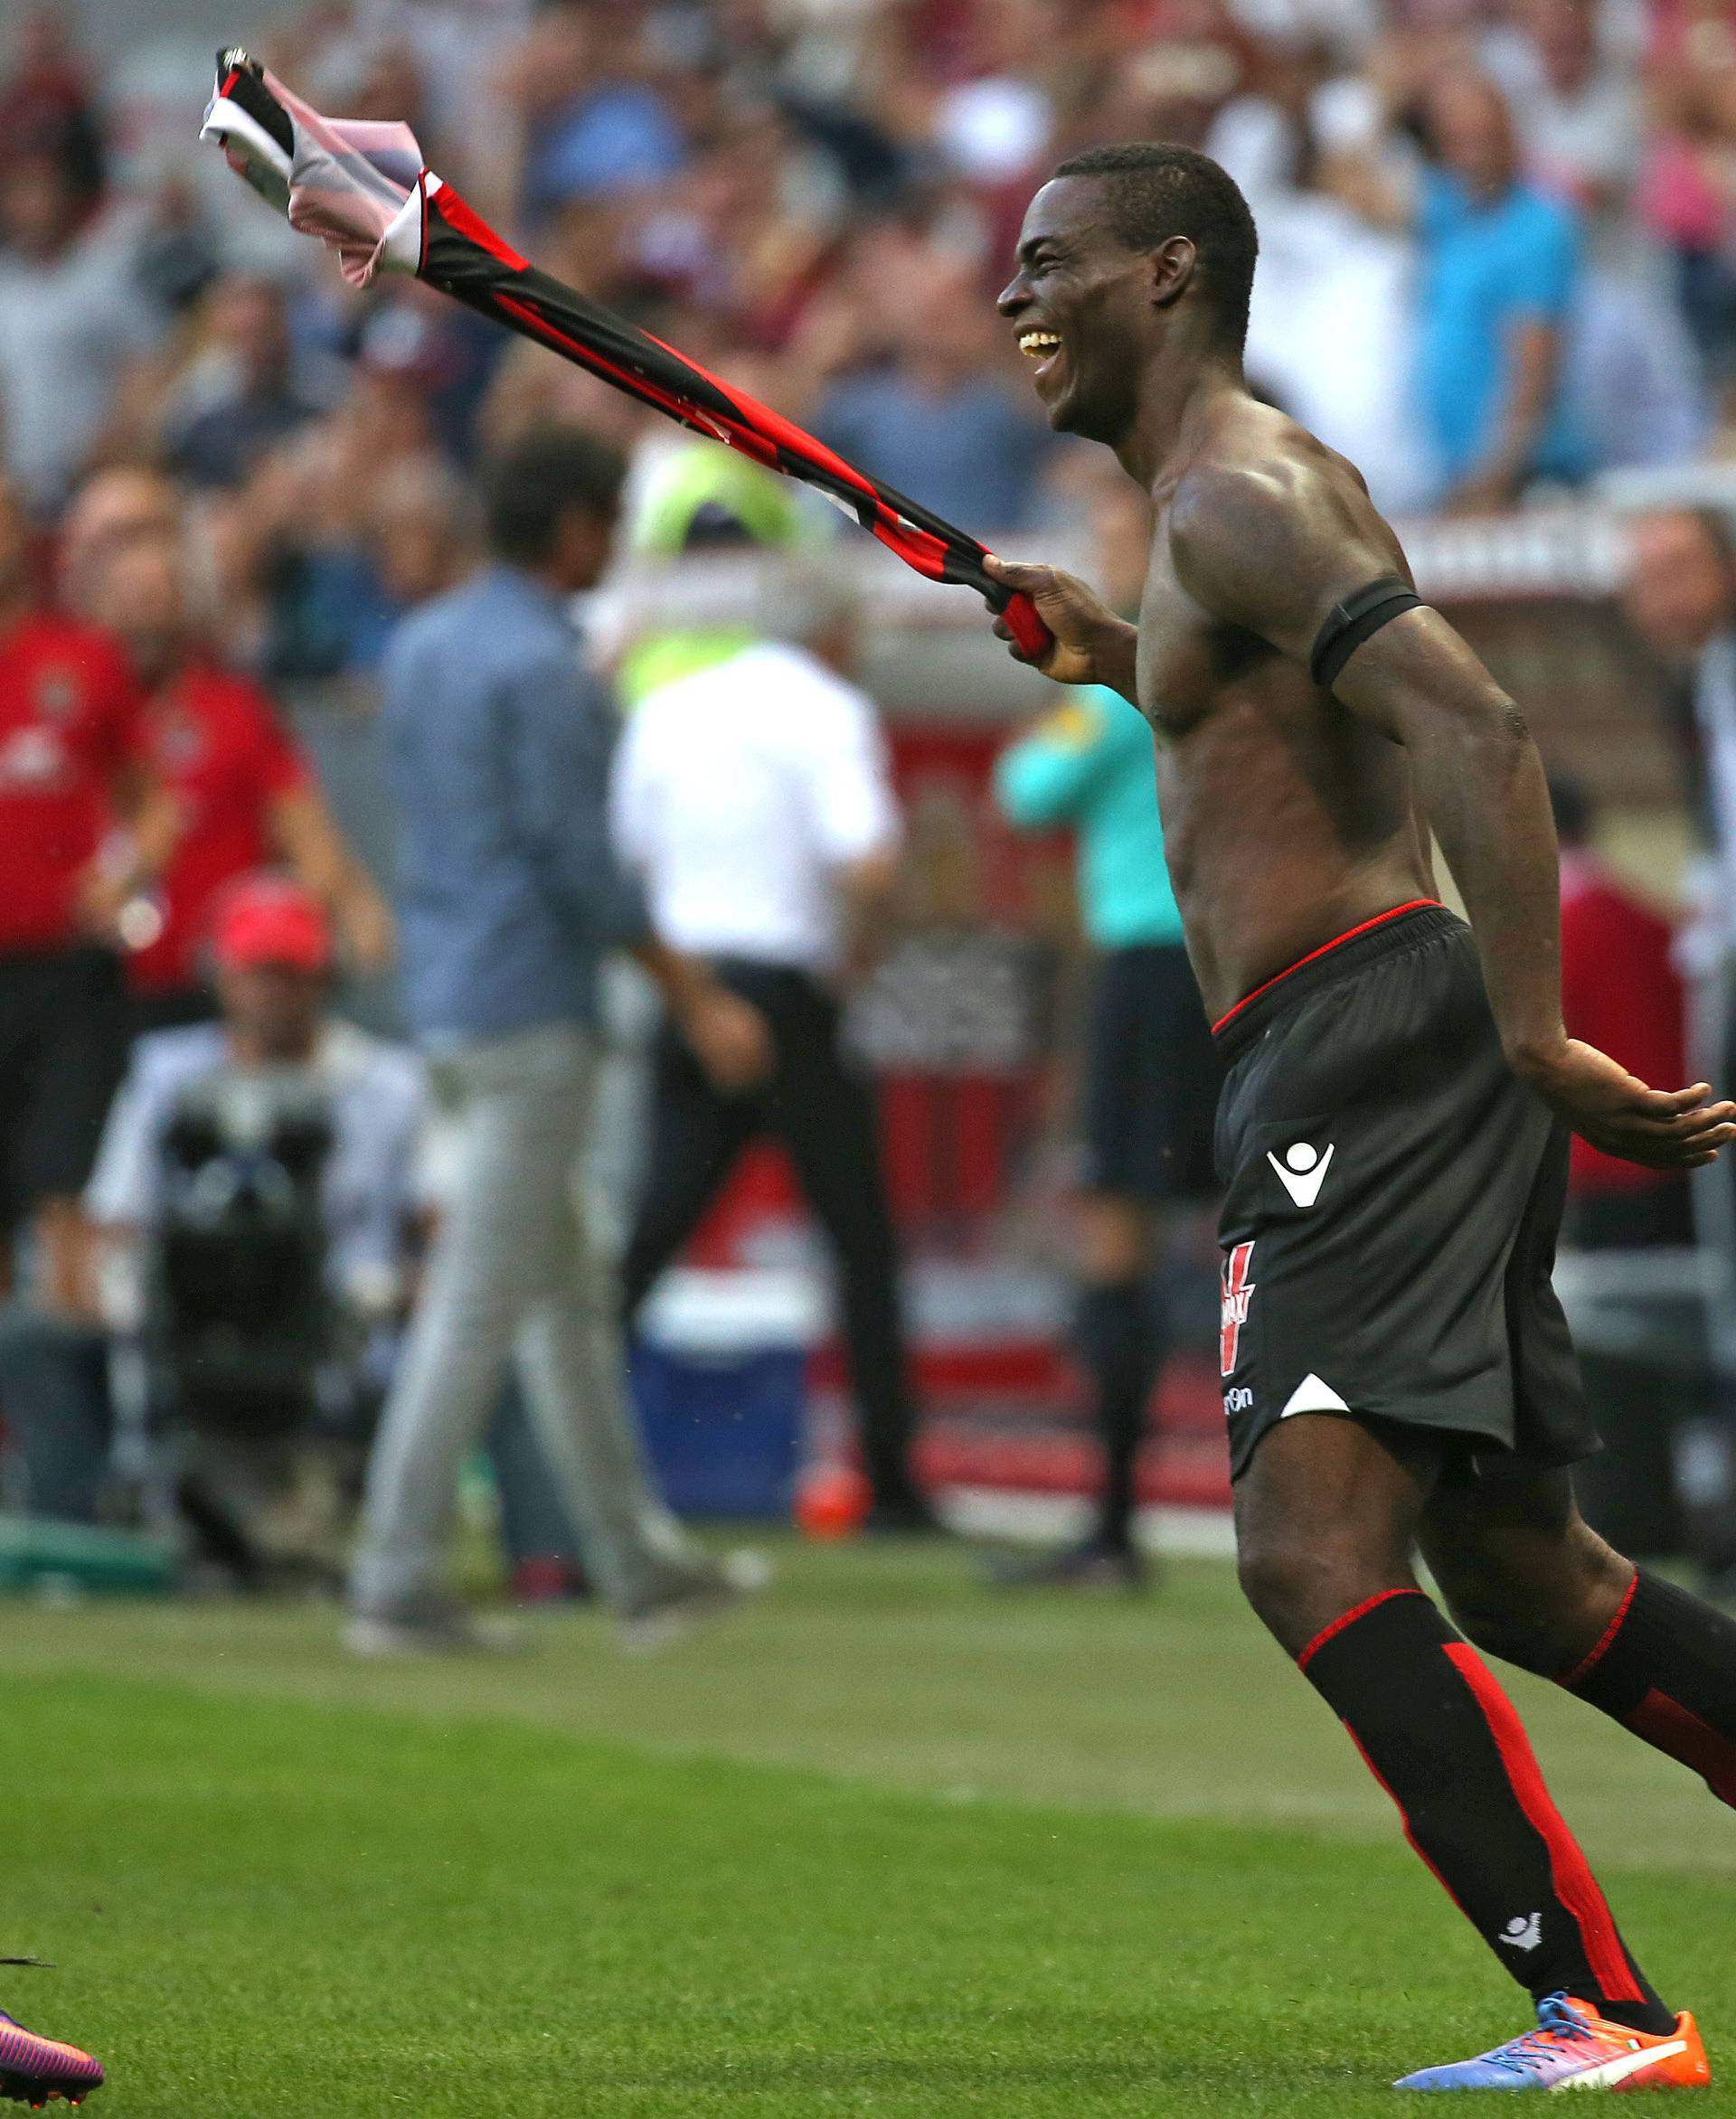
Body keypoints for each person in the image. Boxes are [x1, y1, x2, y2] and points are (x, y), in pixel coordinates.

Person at [984, 139, 1734, 2090]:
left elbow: (1473, 721)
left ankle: (1602, 2006)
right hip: (1365, 1035)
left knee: (1309, 1552)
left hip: (1363, 1045)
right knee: (1523, 1572)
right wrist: (1122, 659)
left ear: (1166, 273)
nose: (1012, 297)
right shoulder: (1220, 508)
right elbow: (1280, 742)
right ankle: (1599, 1996)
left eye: (1048, 260)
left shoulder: (1238, 489)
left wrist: (1545, 1032)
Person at [346, 422, 774, 1654]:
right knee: (481, 1304)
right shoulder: (547, 669)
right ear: (579, 530)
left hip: (448, 1003)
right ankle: (395, 1579)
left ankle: (634, 1563)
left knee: (564, 1293)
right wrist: (697, 996)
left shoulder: (423, 644)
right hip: (532, 1011)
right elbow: (584, 870)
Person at [611, 444, 938, 1535]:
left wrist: (690, 996)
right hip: (786, 990)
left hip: (691, 981)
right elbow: (872, 862)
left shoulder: (667, 708)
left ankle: (549, 1456)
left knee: (646, 1236)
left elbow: (630, 871)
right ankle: (890, 1478)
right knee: (860, 1241)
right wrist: (852, 956)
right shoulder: (821, 709)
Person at [991, 684, 1219, 1587]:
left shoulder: (1120, 683)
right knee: (1278, 1221)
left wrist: (1044, 718)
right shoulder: (1252, 663)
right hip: (1246, 960)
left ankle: (1114, 1529)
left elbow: (1026, 789)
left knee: (1117, 1232)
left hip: (1154, 972)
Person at [80, 532, 393, 1032]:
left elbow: (305, 830)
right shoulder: (68, 713)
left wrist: (351, 903)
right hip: (86, 978)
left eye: (161, 595)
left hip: (212, 986)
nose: (145, 613)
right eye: (131, 596)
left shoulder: (234, 711)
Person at [0, 474, 175, 1315]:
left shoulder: (81, 660)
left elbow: (155, 799)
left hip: (68, 972)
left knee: (64, 1180)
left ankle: (69, 1401)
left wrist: (123, 875)